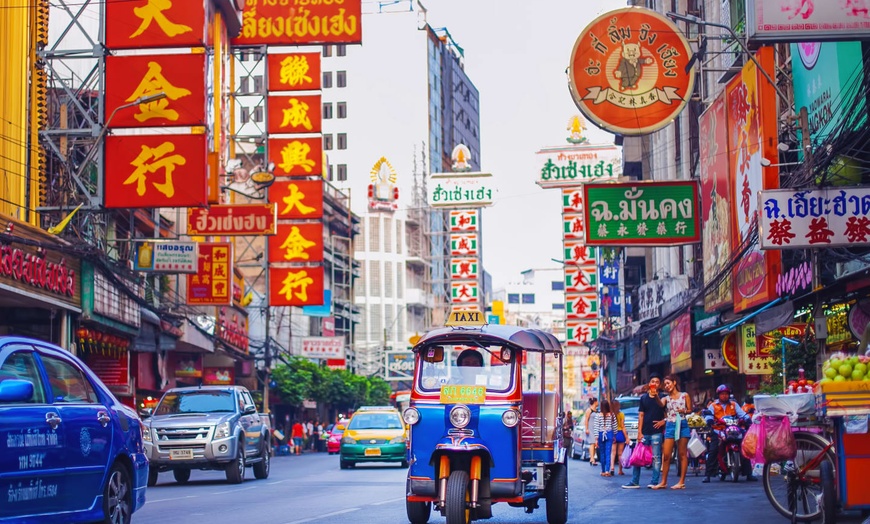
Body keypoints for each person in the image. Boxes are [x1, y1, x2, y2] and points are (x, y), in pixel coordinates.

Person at [703, 384, 755, 483]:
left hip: (734, 429)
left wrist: (747, 419)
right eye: (722, 394)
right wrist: (709, 420)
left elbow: (742, 414)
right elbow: (708, 416)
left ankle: (749, 474)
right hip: (718, 430)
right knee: (713, 450)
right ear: (718, 395)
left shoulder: (734, 405)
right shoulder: (713, 405)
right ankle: (708, 475)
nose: (724, 396)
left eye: (726, 394)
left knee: (744, 447)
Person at [623, 374, 666, 489]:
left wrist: (663, 421)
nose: (655, 384)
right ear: (649, 384)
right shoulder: (643, 398)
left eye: (657, 382)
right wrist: (639, 432)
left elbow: (666, 412)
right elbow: (641, 415)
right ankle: (634, 481)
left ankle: (655, 481)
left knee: (656, 458)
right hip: (645, 432)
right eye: (653, 381)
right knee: (638, 457)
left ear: (659, 384)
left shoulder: (662, 397)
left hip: (657, 432)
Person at [652, 374, 692, 490]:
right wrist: (655, 397)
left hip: (682, 423)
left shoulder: (685, 395)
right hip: (670, 425)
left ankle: (681, 481)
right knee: (667, 455)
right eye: (665, 385)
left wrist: (684, 410)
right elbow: (660, 404)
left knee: (682, 454)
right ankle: (663, 481)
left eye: (668, 383)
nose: (667, 386)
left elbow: (690, 410)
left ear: (674, 383)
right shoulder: (666, 398)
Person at [596, 399, 617, 476]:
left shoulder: (598, 415)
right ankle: (607, 471)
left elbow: (596, 427)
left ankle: (603, 470)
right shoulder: (612, 415)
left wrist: (596, 438)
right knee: (608, 452)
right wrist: (614, 435)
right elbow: (615, 426)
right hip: (609, 434)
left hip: (601, 434)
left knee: (602, 453)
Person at [611, 399, 628, 475]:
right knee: (620, 453)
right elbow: (623, 426)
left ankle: (612, 467)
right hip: (620, 433)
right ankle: (620, 470)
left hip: (613, 433)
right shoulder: (621, 414)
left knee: (613, 453)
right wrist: (626, 437)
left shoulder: (610, 415)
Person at [584, 398, 599, 466]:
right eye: (597, 401)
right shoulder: (589, 410)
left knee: (595, 444)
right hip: (590, 429)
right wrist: (586, 429)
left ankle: (592, 459)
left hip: (596, 428)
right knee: (592, 443)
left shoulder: (597, 411)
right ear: (595, 402)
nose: (598, 403)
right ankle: (592, 459)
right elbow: (586, 420)